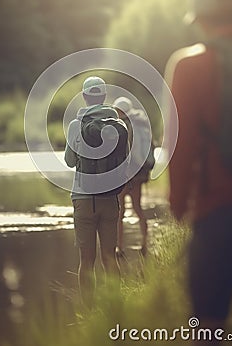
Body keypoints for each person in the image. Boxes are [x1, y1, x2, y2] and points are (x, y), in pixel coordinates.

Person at [165, 0, 232, 342]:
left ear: (199, 19)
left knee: (207, 326)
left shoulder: (188, 66)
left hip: (215, 215)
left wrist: (178, 204)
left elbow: (179, 145)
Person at [64, 76, 122, 309]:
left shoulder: (75, 125)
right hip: (110, 198)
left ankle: (89, 313)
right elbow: (123, 160)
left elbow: (69, 161)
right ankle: (115, 309)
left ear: (85, 96)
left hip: (83, 198)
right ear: (104, 97)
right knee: (110, 258)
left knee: (86, 261)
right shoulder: (118, 124)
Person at [113, 97, 154, 258]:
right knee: (138, 208)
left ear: (121, 111)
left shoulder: (125, 125)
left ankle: (119, 247)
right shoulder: (140, 124)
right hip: (138, 174)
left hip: (125, 175)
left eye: (117, 110)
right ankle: (144, 244)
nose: (116, 113)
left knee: (119, 211)